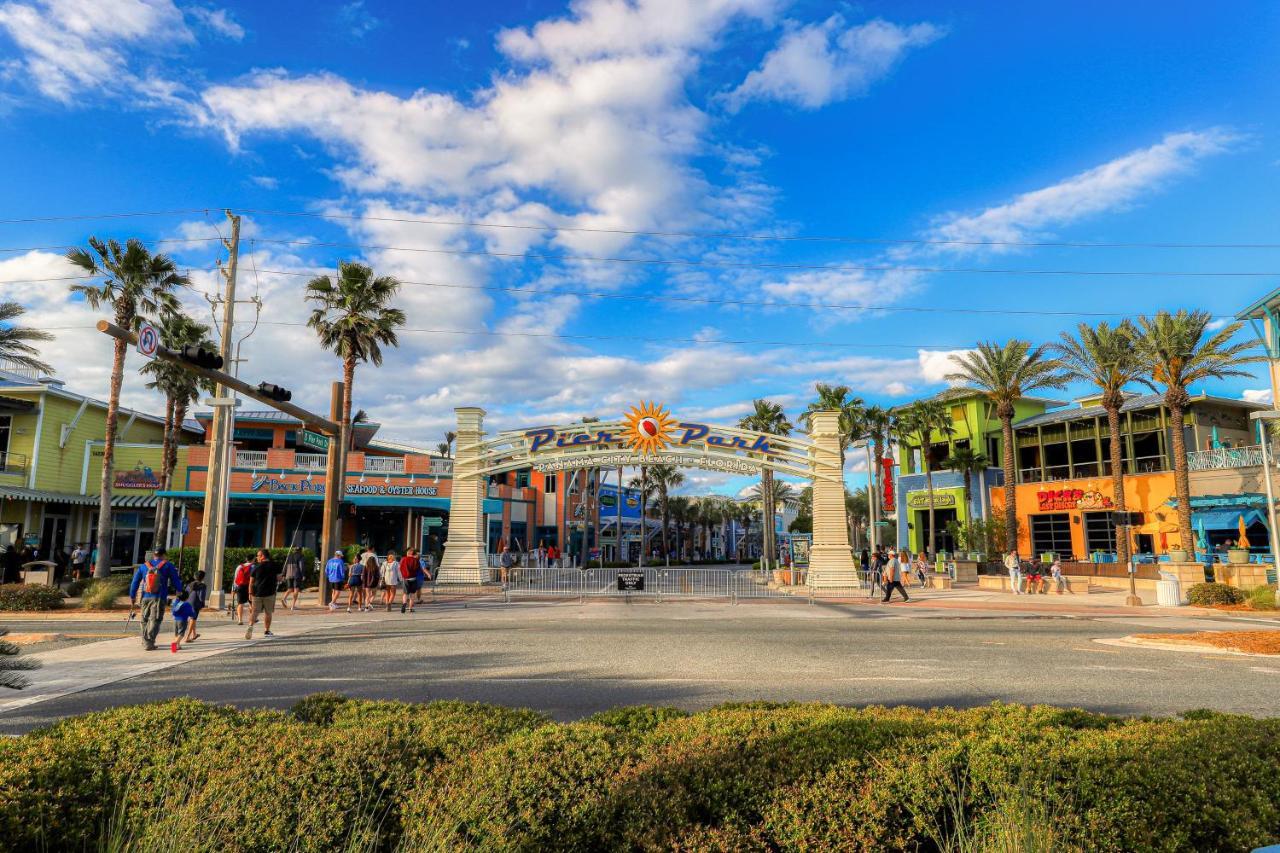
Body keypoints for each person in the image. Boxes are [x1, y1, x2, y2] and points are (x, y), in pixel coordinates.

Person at [128, 548, 183, 651]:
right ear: (163, 555)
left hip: (145, 597)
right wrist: (179, 591)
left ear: (154, 555)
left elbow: (135, 582)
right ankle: (149, 642)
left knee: (144, 619)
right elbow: (175, 580)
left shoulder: (144, 566)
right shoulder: (168, 565)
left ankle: (145, 640)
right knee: (155, 620)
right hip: (159, 597)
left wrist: (132, 596)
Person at [246, 548, 281, 639]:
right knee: (268, 613)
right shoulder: (275, 565)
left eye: (258, 555)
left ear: (262, 556)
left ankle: (250, 626)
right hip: (270, 593)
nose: (257, 557)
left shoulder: (256, 567)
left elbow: (251, 582)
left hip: (256, 592)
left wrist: (250, 592)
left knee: (254, 612)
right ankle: (266, 630)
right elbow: (279, 578)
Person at [187, 570, 208, 642]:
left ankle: (194, 634)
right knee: (193, 619)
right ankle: (187, 637)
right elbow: (201, 597)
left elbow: (186, 593)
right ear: (203, 578)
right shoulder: (202, 585)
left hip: (188, 602)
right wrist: (202, 603)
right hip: (196, 604)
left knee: (193, 618)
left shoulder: (190, 584)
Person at [232, 556, 254, 623]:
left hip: (240, 586)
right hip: (249, 586)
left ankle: (240, 620)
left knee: (240, 603)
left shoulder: (239, 567)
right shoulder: (253, 566)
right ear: (253, 559)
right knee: (251, 603)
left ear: (246, 559)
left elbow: (235, 578)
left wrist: (233, 589)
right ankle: (252, 618)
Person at [282, 546, 305, 611]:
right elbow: (301, 566)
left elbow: (285, 565)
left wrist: (283, 574)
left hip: (288, 574)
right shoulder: (301, 556)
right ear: (300, 550)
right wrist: (303, 575)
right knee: (296, 589)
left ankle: (284, 598)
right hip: (296, 574)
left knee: (290, 588)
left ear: (294, 550)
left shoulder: (289, 556)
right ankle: (293, 606)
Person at [399, 548, 419, 614]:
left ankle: (404, 603)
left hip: (405, 578)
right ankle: (410, 608)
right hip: (413, 578)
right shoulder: (416, 560)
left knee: (405, 593)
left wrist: (403, 575)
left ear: (408, 553)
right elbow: (417, 568)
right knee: (412, 594)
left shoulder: (403, 559)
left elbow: (401, 568)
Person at [344, 548, 364, 613]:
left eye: (354, 558)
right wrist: (363, 582)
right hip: (358, 579)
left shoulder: (351, 566)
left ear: (356, 559)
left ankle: (349, 608)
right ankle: (359, 607)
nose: (354, 559)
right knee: (360, 594)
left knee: (351, 594)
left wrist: (348, 582)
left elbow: (349, 575)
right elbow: (362, 575)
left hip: (352, 579)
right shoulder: (362, 566)